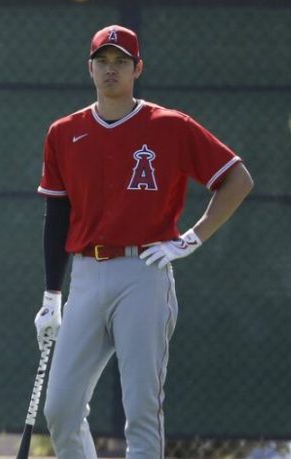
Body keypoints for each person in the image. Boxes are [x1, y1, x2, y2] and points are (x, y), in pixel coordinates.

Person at [34, 25, 253, 459]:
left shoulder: (170, 126)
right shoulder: (63, 132)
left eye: (121, 62)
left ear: (138, 68)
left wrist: (191, 239)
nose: (111, 70)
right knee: (59, 409)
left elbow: (237, 180)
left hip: (144, 272)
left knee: (142, 414)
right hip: (86, 275)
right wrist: (51, 295)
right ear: (90, 68)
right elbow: (57, 215)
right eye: (103, 62)